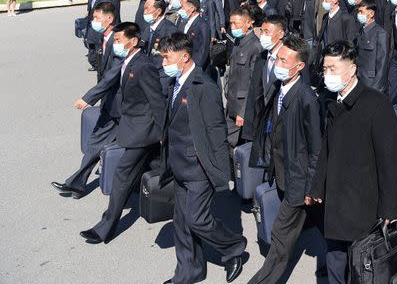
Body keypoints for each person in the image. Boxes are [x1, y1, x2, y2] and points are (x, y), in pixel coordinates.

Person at [308, 41, 397, 284]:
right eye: (325, 69)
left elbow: (389, 162)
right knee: (335, 259)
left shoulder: (376, 104)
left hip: (363, 203)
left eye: (333, 69)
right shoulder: (330, 101)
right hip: (335, 200)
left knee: (361, 265)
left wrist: (389, 209)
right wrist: (317, 186)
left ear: (352, 70)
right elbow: (326, 148)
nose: (327, 75)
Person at [158, 33, 247, 283]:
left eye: (167, 57)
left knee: (197, 219)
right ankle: (189, 272)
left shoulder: (204, 87)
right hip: (178, 165)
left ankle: (234, 247)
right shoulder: (174, 82)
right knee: (182, 223)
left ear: (184, 57)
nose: (164, 62)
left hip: (198, 167)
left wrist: (221, 175)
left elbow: (217, 133)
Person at [80, 22, 166, 244]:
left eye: (118, 41)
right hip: (134, 128)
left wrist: (161, 132)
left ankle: (105, 228)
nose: (115, 44)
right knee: (156, 169)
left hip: (143, 132)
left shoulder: (143, 66)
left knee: (121, 176)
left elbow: (157, 101)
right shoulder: (127, 62)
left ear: (133, 41)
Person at [247, 35, 323, 284]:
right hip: (281, 172)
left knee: (280, 236)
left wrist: (312, 186)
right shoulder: (280, 88)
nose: (277, 63)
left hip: (298, 179)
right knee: (315, 223)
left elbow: (315, 148)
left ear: (299, 66)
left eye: (283, 60)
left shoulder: (306, 99)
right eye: (278, 58)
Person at [52, 2, 120, 198]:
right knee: (95, 143)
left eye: (97, 18)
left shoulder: (118, 42)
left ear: (110, 19)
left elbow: (111, 76)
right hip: (110, 103)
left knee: (132, 153)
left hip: (123, 108)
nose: (94, 22)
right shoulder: (104, 38)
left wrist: (88, 98)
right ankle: (76, 184)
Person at [242, 16, 287, 143]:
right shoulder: (261, 58)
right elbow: (253, 92)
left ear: (281, 34)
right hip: (261, 124)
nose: (263, 35)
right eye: (262, 31)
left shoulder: (290, 58)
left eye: (267, 32)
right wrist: (248, 131)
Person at [224, 7, 262, 150]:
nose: (232, 27)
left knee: (232, 143)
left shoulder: (255, 46)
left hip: (241, 106)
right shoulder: (238, 42)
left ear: (248, 23)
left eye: (236, 23)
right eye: (231, 23)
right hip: (231, 102)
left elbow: (252, 83)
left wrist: (242, 112)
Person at [354, 0, 389, 94]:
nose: (359, 14)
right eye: (358, 12)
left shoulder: (380, 33)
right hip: (359, 78)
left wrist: (377, 87)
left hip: (371, 81)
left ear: (371, 13)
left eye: (362, 12)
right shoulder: (361, 31)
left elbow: (382, 63)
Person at [178, 0, 211, 70]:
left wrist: (197, 66)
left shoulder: (202, 25)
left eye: (183, 7)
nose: (181, 9)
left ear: (192, 8)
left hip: (195, 64)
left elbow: (204, 48)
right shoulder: (183, 22)